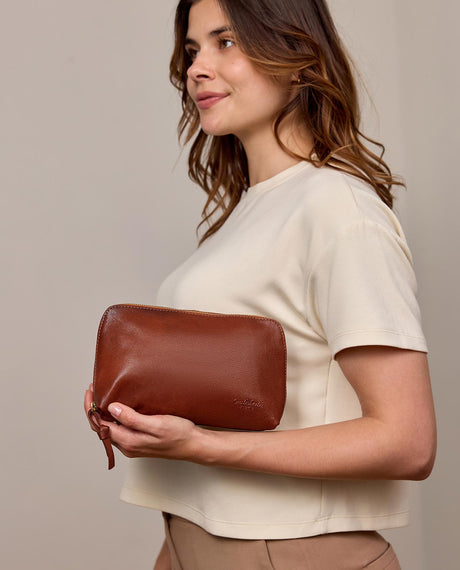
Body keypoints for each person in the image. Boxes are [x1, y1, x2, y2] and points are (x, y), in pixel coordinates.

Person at [85, 0, 437, 568]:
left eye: (225, 42)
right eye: (193, 50)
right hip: (193, 538)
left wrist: (202, 446)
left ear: (296, 57)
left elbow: (407, 440)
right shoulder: (249, 212)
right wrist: (134, 411)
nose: (197, 68)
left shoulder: (338, 210)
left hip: (287, 551)